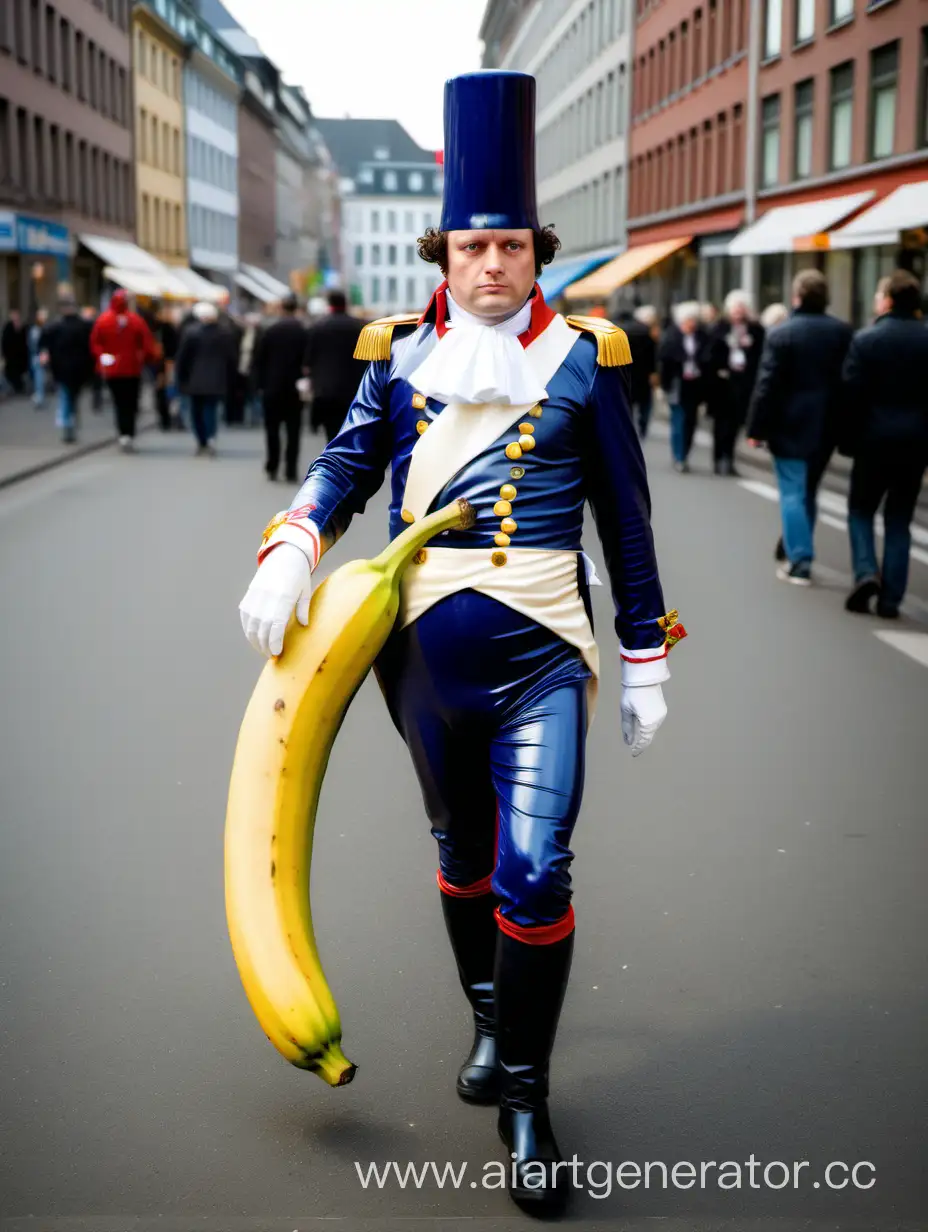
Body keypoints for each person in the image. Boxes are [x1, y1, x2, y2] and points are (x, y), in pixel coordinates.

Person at [237, 70, 684, 1216]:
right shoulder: (392, 356)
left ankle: (527, 1094)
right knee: (463, 852)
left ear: (538, 253)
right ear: (443, 254)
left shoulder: (589, 358)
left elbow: (624, 524)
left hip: (545, 650)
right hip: (422, 662)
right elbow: (344, 467)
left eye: (511, 246)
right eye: (472, 245)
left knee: (538, 869)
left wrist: (644, 654)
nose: (491, 264)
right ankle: (490, 1013)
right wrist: (295, 541)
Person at [746, 270, 852, 585]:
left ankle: (800, 559)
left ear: (797, 297)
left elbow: (767, 385)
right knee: (809, 490)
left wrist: (756, 428)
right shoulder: (843, 332)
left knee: (792, 491)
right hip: (828, 425)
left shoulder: (782, 333)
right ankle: (797, 544)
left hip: (788, 425)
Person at [840, 270, 928, 618]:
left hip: (872, 442)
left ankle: (865, 572)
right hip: (916, 444)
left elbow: (851, 396)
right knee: (899, 518)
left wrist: (847, 441)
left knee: (861, 510)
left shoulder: (867, 340)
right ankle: (891, 599)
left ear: (889, 300)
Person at [90, 289, 159, 452]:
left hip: (113, 370)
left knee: (119, 402)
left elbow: (95, 344)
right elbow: (147, 345)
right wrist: (149, 359)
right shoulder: (135, 321)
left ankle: (123, 433)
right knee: (131, 403)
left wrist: (103, 358)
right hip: (132, 369)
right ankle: (128, 432)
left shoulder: (103, 320)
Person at [707, 290, 764, 476]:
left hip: (743, 384)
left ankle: (729, 459)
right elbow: (710, 354)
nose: (738, 311)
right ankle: (718, 459)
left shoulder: (755, 330)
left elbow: (760, 356)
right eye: (735, 308)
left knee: (735, 425)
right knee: (720, 425)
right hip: (721, 384)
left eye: (742, 308)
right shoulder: (720, 328)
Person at [252, 293, 308, 482]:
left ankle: (272, 465)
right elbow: (307, 360)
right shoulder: (303, 331)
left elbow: (259, 359)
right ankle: (290, 468)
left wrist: (259, 384)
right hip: (295, 387)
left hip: (272, 386)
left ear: (281, 309)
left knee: (272, 429)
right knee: (293, 430)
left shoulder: (269, 330)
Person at [303, 289, 366, 442]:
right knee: (348, 429)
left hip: (325, 389)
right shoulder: (358, 327)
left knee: (330, 431)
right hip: (352, 388)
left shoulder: (318, 327)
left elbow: (308, 360)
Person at [174, 301, 236, 455]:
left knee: (196, 412)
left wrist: (180, 377)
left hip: (194, 379)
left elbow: (183, 357)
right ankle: (210, 438)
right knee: (211, 410)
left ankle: (202, 440)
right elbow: (231, 358)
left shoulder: (191, 332)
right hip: (217, 379)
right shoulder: (225, 333)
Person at [658, 301, 709, 473]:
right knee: (678, 420)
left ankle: (685, 453)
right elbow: (664, 361)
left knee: (691, 421)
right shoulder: (671, 336)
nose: (691, 324)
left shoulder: (702, 337)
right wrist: (663, 386)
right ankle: (679, 456)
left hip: (694, 384)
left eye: (693, 320)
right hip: (676, 384)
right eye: (688, 320)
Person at [38, 294, 94, 443]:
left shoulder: (57, 327)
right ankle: (71, 424)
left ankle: (69, 424)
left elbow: (45, 344)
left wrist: (46, 357)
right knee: (71, 397)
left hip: (64, 368)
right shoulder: (83, 326)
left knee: (67, 396)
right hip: (76, 369)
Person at [616, 303, 657, 438]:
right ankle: (642, 427)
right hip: (644, 374)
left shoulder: (619, 333)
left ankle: (628, 427)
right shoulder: (647, 333)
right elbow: (653, 355)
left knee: (629, 403)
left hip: (626, 373)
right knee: (645, 403)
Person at [147, 301, 179, 431]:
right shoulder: (162, 329)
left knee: (163, 393)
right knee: (162, 393)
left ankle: (166, 418)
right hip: (161, 364)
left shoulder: (162, 329)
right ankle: (166, 418)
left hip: (163, 364)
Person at [2, 309, 30, 393]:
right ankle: (17, 387)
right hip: (11, 355)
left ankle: (19, 387)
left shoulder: (23, 328)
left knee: (19, 372)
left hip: (21, 355)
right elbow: (5, 342)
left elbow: (25, 340)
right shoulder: (8, 327)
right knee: (11, 372)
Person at [29, 309, 49, 407]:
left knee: (40, 377)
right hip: (38, 356)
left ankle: (39, 396)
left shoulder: (40, 329)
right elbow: (34, 345)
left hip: (39, 356)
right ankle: (39, 397)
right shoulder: (36, 330)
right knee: (39, 378)